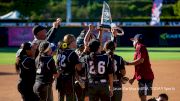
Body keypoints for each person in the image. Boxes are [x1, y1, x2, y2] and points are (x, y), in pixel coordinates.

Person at [127, 34, 154, 101]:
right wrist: (133, 78)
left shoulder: (140, 47)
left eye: (133, 41)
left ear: (137, 41)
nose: (132, 43)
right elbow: (138, 67)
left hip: (145, 77)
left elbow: (140, 60)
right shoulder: (139, 48)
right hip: (144, 76)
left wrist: (127, 63)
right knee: (142, 95)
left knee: (142, 96)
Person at [56, 34, 82, 101]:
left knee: (61, 97)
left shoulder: (60, 51)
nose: (76, 42)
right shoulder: (72, 53)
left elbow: (57, 64)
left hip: (59, 78)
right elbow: (79, 68)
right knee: (70, 98)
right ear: (72, 42)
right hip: (68, 80)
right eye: (75, 40)